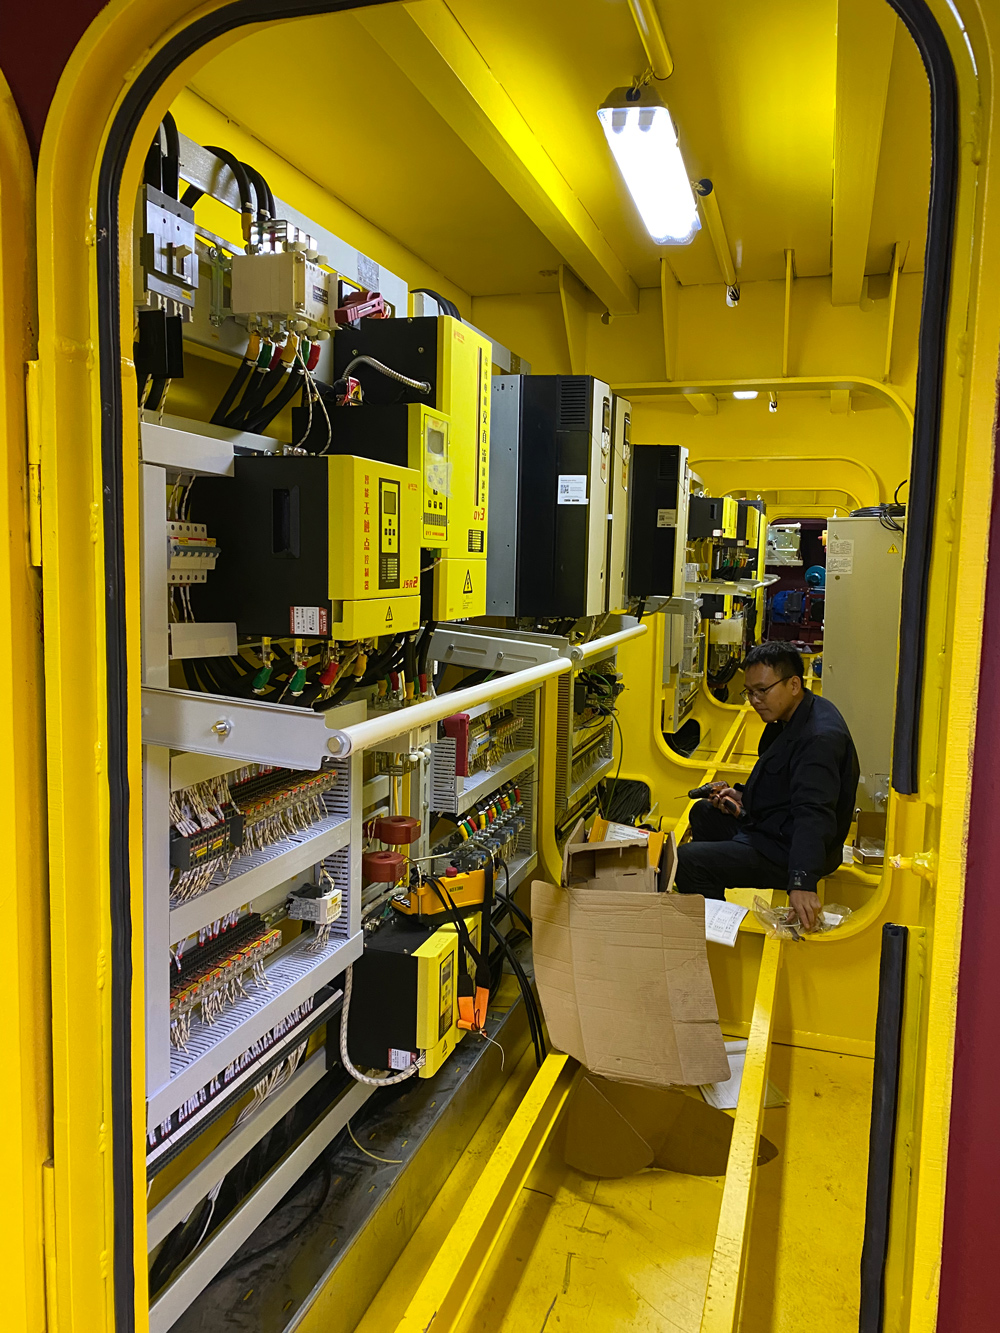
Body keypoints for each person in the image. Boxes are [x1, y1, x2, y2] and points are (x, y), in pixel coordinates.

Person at [675, 641, 860, 931]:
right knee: (702, 813)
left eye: (762, 690)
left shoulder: (818, 739)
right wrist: (743, 796)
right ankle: (714, 898)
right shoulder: (794, 715)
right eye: (749, 692)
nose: (754, 700)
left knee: (687, 861)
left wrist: (802, 880)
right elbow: (784, 784)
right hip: (775, 829)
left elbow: (814, 812)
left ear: (794, 684)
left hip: (789, 851)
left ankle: (715, 935)